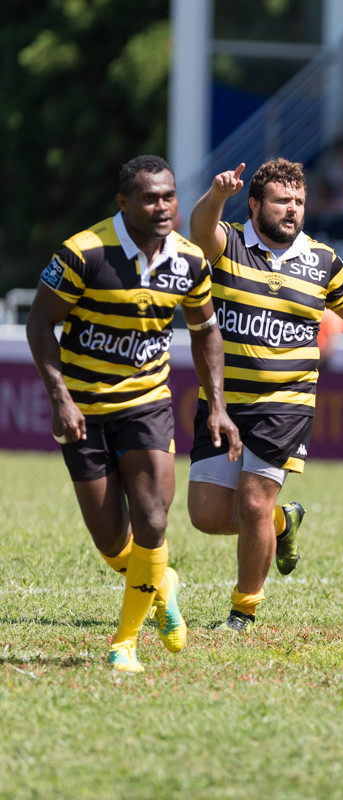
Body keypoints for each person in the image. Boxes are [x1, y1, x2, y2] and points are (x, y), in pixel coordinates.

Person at [25, 155, 242, 672]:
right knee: (112, 541)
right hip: (84, 410)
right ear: (124, 203)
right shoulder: (84, 252)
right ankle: (162, 584)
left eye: (169, 195)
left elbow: (206, 330)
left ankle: (124, 643)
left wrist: (218, 406)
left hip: (147, 404)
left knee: (152, 519)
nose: (163, 206)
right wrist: (61, 398)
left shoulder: (190, 260)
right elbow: (39, 325)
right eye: (150, 198)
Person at [188, 158, 343, 631]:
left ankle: (243, 609)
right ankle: (283, 522)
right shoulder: (228, 243)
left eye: (300, 202)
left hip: (285, 403)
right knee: (205, 515)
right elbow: (199, 227)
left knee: (251, 503)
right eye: (283, 200)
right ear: (255, 204)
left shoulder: (322, 259)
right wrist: (215, 195)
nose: (293, 210)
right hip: (222, 404)